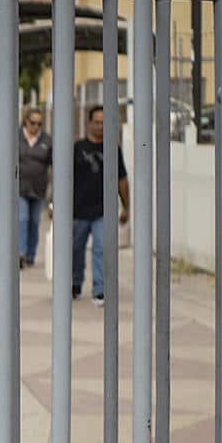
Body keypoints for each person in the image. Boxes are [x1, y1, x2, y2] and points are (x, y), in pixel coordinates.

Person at [72, 104, 130, 303]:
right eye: (96, 122)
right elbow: (64, 179)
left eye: (104, 123)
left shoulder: (113, 149)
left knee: (101, 247)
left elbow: (122, 180)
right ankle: (75, 283)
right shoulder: (77, 148)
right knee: (75, 249)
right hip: (77, 210)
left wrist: (126, 207)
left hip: (103, 210)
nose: (100, 126)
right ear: (89, 123)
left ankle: (100, 289)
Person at [16, 105, 53, 269]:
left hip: (39, 188)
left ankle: (30, 254)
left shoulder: (46, 140)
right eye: (33, 123)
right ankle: (21, 253)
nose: (36, 127)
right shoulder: (16, 137)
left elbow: (52, 165)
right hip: (20, 188)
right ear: (25, 121)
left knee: (34, 222)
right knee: (22, 219)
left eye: (39, 124)